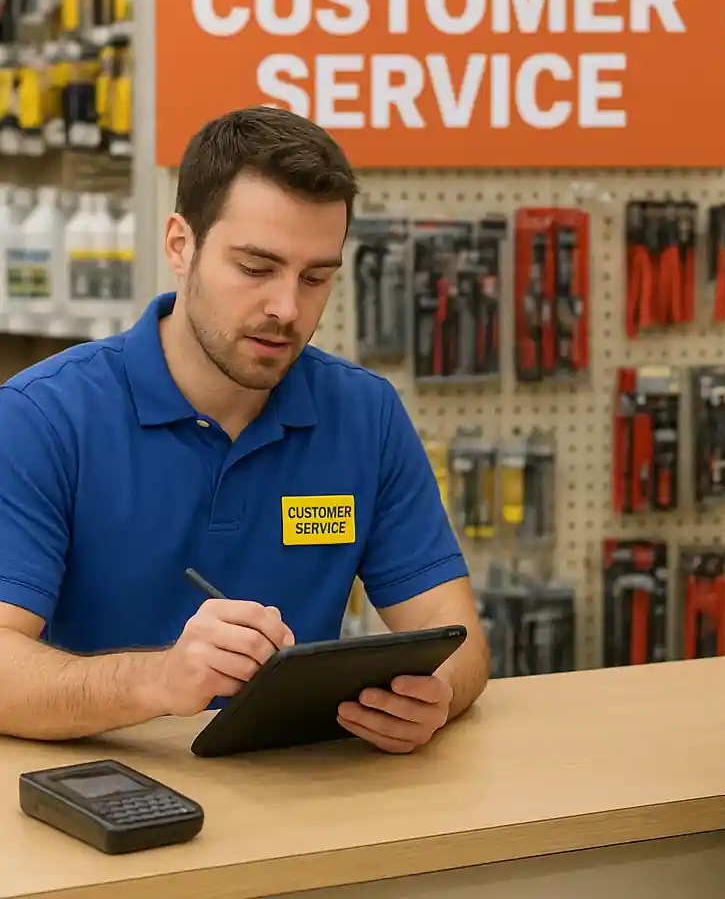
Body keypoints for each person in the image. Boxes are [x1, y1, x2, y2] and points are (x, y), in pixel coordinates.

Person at [0, 106, 490, 752]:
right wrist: (157, 680)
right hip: (98, 799)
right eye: (257, 269)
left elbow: (457, 638)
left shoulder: (364, 414)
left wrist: (436, 697)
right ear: (181, 245)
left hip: (297, 793)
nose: (287, 309)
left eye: (316, 278)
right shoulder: (41, 417)